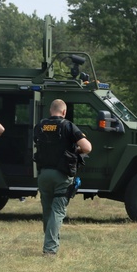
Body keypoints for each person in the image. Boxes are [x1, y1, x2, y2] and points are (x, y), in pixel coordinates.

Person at [33, 99, 91, 256]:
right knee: (58, 211)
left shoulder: (40, 126)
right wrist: (74, 151)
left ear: (51, 111)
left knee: (48, 211)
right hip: (61, 175)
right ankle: (50, 249)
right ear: (64, 112)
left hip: (43, 174)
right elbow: (87, 147)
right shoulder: (68, 126)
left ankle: (51, 242)